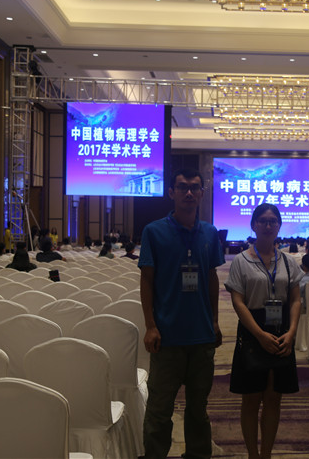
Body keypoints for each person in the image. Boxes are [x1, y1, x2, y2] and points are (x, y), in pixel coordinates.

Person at [138, 167, 225, 459]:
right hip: (167, 337)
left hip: (201, 337)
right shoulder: (154, 231)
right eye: (182, 187)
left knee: (198, 409)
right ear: (171, 192)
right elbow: (147, 280)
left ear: (201, 193)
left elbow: (211, 278)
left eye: (194, 187)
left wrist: (214, 321)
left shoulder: (210, 233)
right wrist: (151, 326)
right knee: (159, 410)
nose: (189, 192)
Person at [225, 204, 302, 459]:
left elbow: (295, 300)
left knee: (273, 397)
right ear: (253, 225)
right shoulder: (241, 260)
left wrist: (292, 332)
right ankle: (253, 455)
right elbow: (238, 302)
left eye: (273, 221)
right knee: (251, 398)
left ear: (279, 225)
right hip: (252, 329)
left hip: (281, 331)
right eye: (263, 221)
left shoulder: (288, 262)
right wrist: (259, 334)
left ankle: (266, 454)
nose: (268, 225)